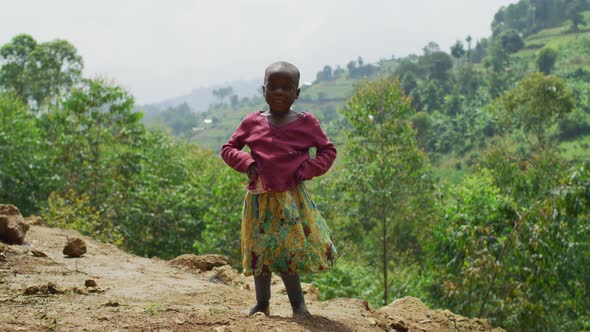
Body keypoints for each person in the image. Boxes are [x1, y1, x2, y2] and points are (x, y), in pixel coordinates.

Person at [221, 61, 338, 317]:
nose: (279, 93)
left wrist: (307, 170)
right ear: (264, 89)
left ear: (297, 93)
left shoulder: (307, 123)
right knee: (259, 249)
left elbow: (328, 151)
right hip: (258, 198)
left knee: (288, 249)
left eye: (287, 88)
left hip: (289, 199)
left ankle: (299, 306)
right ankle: (262, 304)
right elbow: (228, 149)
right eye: (273, 87)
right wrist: (247, 162)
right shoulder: (252, 122)